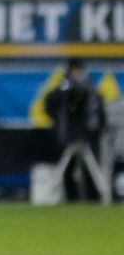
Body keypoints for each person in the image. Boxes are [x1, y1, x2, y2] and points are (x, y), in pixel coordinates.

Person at [43, 58, 109, 204]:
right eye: (75, 70)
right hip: (69, 133)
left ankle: (93, 197)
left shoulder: (89, 89)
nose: (78, 73)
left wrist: (100, 127)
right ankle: (71, 197)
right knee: (68, 167)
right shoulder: (63, 88)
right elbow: (50, 104)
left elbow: (97, 110)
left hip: (88, 133)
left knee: (91, 166)